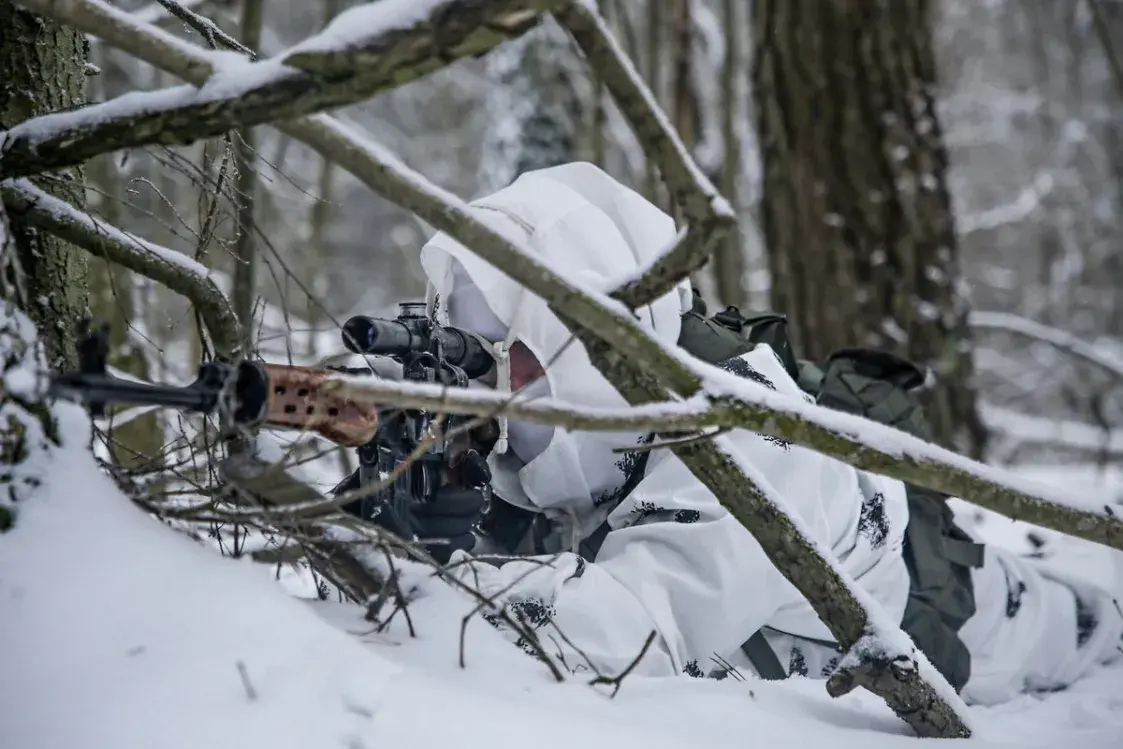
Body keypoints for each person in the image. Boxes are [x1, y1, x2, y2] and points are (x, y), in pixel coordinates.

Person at [340, 162, 1123, 705]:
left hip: (936, 601)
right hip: (807, 607)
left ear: (579, 342)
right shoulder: (564, 432)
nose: (492, 386)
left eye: (511, 351)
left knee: (1070, 625)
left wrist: (434, 577)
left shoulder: (743, 434)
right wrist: (391, 506)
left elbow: (627, 632)